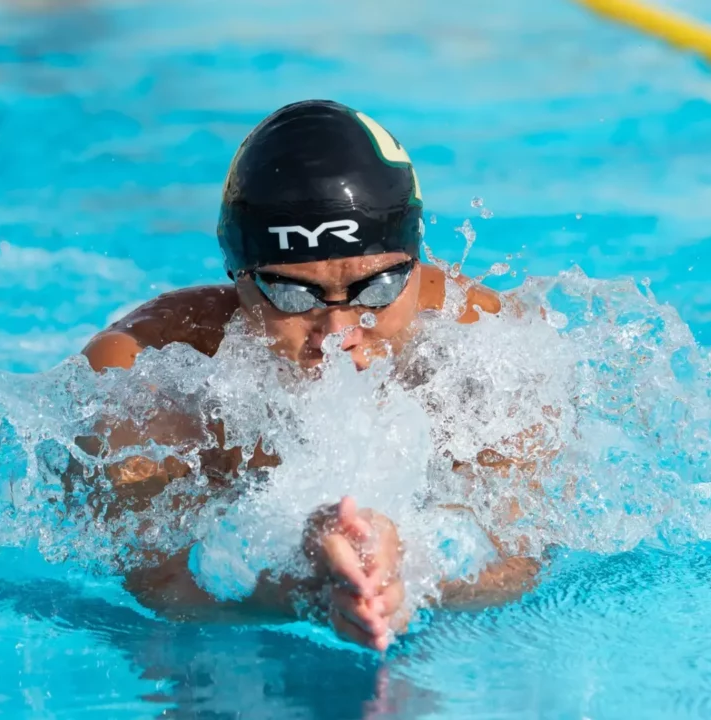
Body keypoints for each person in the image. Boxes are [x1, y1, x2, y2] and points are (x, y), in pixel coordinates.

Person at [73, 99, 544, 652]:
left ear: (417, 263)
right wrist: (298, 589)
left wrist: (413, 571)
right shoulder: (143, 374)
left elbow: (522, 561)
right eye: (293, 294)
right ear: (239, 279)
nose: (340, 330)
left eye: (379, 288)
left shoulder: (483, 345)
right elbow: (155, 586)